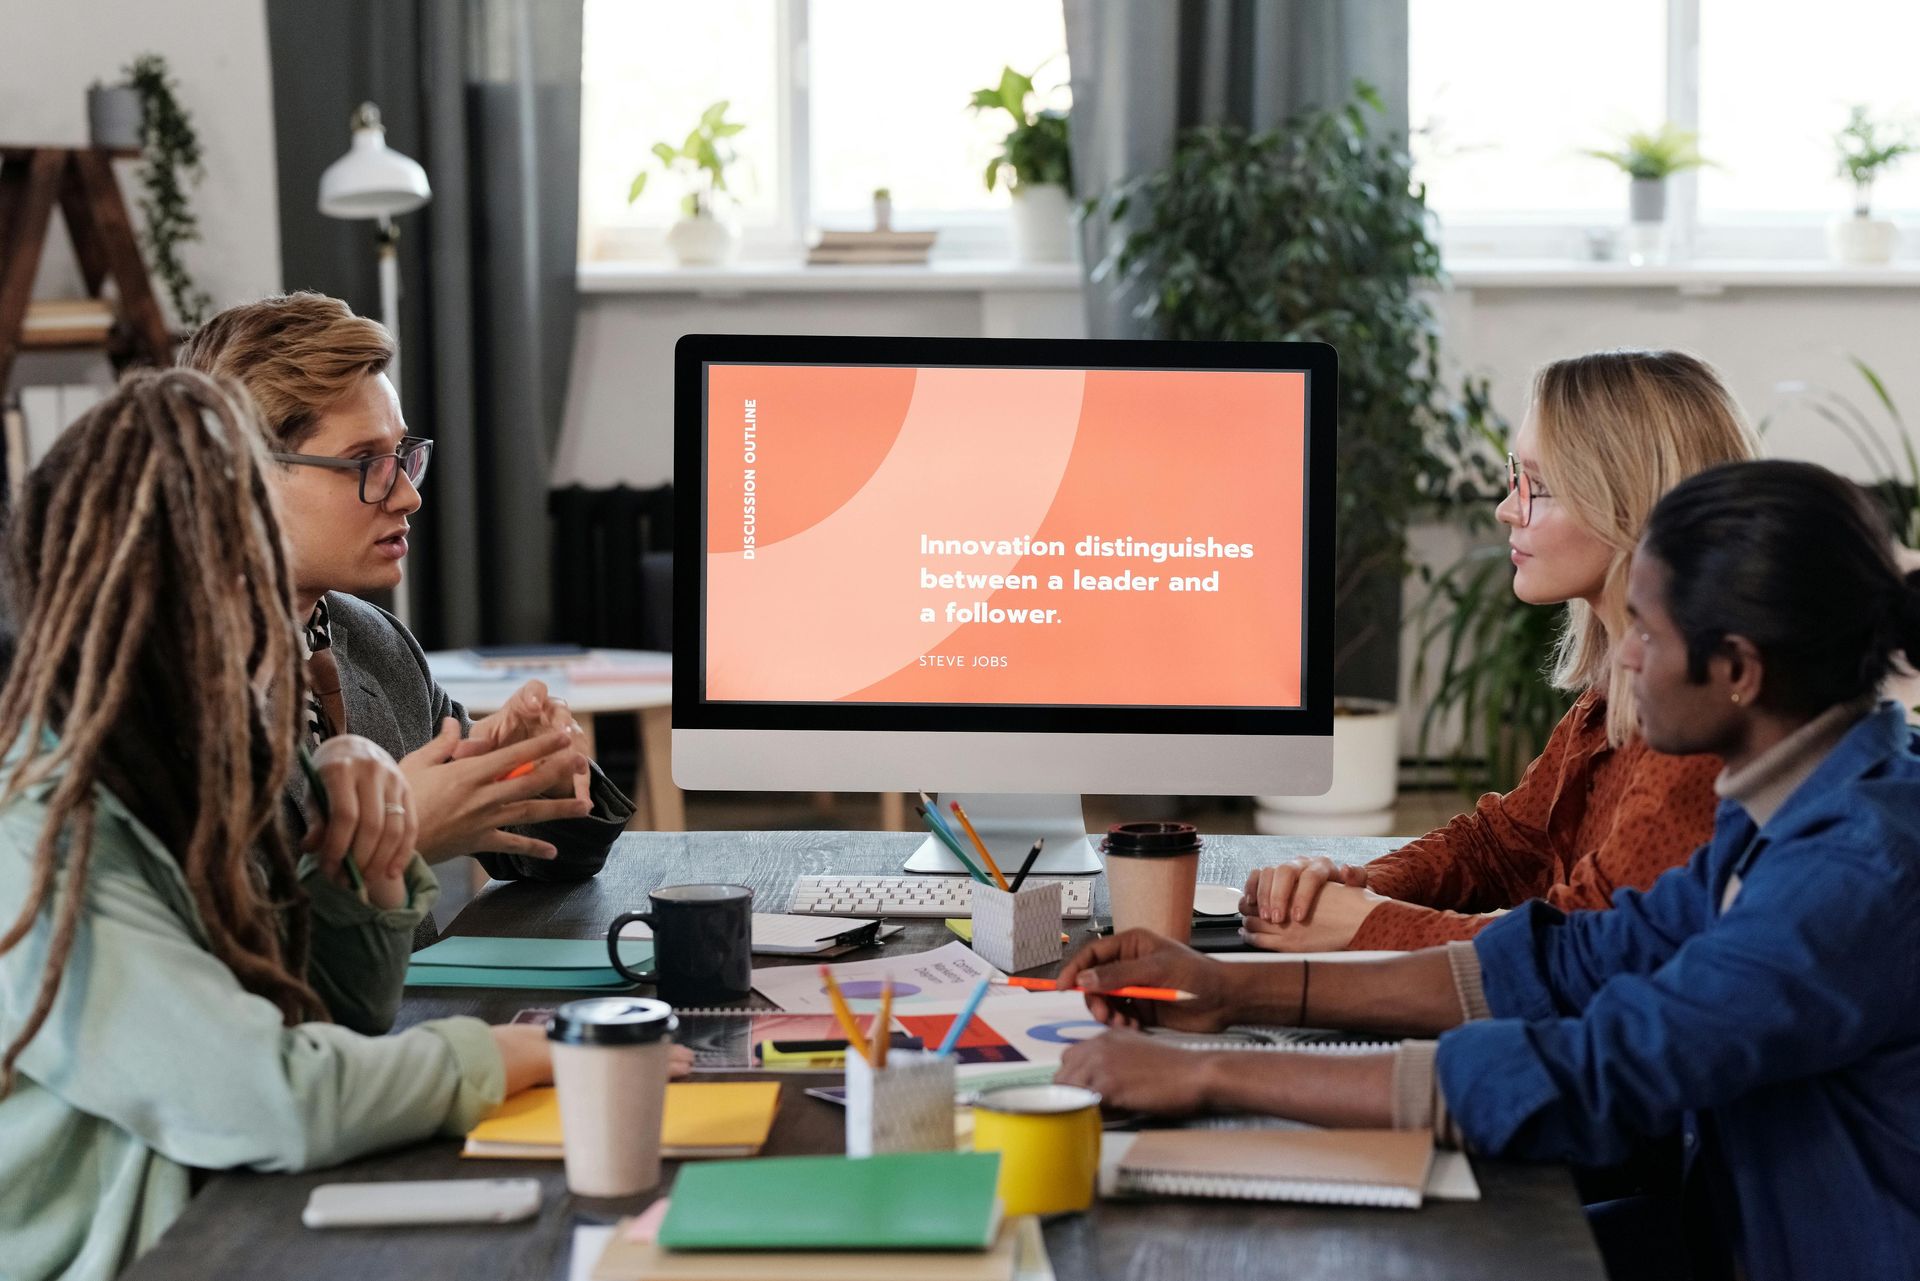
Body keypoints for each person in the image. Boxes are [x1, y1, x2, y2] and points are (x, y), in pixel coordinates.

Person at [1056, 459, 1920, 1281]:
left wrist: (1208, 1073)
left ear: (1736, 670)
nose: (1624, 656)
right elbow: (1570, 959)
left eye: (1648, 632)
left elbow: (1597, 1070)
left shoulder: (1853, 871)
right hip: (1724, 1227)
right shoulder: (1782, 806)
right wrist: (1232, 989)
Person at [0, 371, 557, 1281]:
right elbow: (270, 1095)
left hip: (235, 1215)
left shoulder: (203, 750)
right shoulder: (42, 832)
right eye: (248, 584)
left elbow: (341, 1017)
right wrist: (505, 1054)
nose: (282, 623)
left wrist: (363, 854)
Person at [1240, 349, 1758, 951]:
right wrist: (1357, 885)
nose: (1507, 508)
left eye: (1540, 487)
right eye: (1517, 478)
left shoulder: (1698, 728)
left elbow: (1584, 945)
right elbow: (1502, 847)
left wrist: (1365, 924)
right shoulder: (1611, 695)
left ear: (1632, 507)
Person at [178, 294, 635, 941]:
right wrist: (397, 838)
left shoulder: (373, 640)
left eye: (403, 455)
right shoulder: (156, 686)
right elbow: (204, 961)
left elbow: (549, 859)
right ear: (240, 474)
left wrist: (530, 772)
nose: (408, 494)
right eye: (367, 463)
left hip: (410, 1005)